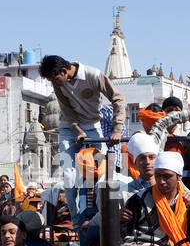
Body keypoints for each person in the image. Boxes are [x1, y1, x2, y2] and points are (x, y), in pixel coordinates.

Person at [40, 55, 127, 209]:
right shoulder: (58, 84)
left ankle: (102, 212)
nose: (53, 84)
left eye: (54, 79)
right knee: (69, 175)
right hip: (69, 126)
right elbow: (66, 109)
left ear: (64, 71)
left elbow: (118, 99)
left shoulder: (92, 75)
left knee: (101, 169)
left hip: (92, 125)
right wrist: (77, 130)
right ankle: (77, 221)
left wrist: (117, 129)